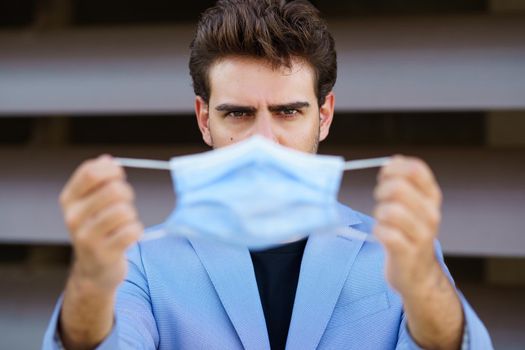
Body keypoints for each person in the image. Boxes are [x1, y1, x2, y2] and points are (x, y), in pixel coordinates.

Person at [43, 0, 493, 349]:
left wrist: (422, 287)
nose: (263, 141)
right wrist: (91, 282)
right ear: (204, 120)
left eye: (288, 112)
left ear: (324, 115)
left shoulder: (400, 252)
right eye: (237, 113)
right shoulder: (140, 261)